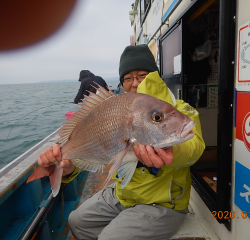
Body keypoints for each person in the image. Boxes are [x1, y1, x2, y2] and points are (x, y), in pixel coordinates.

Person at [37, 44, 205, 240]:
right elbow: (96, 151)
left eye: (142, 75)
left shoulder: (181, 108)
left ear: (154, 76)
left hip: (163, 204)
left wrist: (173, 151)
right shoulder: (116, 109)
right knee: (76, 221)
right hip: (122, 195)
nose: (135, 83)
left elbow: (195, 148)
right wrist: (68, 167)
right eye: (128, 78)